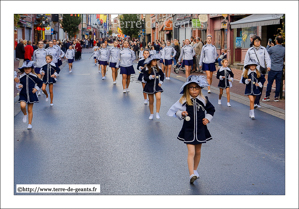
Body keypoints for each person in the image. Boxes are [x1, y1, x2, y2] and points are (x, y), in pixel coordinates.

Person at [166, 75, 215, 184]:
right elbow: (173, 111)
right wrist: (181, 113)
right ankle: (191, 174)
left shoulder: (204, 99)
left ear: (200, 89)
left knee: (198, 151)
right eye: (191, 88)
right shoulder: (183, 100)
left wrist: (207, 119)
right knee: (191, 151)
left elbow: (211, 110)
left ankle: (195, 169)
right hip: (188, 130)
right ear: (187, 89)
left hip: (201, 130)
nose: (194, 90)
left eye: (196, 88)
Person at [243, 36, 271, 108]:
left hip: (261, 71)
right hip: (252, 70)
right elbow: (246, 61)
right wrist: (245, 71)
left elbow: (267, 58)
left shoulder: (263, 49)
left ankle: (257, 102)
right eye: (256, 41)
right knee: (253, 85)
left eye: (258, 41)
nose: (257, 42)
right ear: (253, 42)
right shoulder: (250, 50)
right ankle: (254, 101)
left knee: (260, 85)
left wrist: (268, 66)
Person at [16, 60, 43, 130]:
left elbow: (40, 83)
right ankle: (25, 114)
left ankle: (29, 124)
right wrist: (19, 86)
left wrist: (36, 89)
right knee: (22, 106)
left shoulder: (34, 76)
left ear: (31, 68)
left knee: (29, 109)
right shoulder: (21, 76)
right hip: (23, 94)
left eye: (28, 68)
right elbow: (18, 84)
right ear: (23, 69)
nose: (27, 70)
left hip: (31, 94)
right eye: (25, 68)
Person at [263, 36, 285, 102]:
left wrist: (268, 45)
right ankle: (276, 97)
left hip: (272, 68)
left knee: (270, 82)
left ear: (276, 41)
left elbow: (266, 53)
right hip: (280, 68)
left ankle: (267, 96)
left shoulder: (272, 48)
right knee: (278, 83)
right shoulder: (284, 49)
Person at [143, 54, 165, 119]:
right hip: (149, 86)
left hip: (157, 86)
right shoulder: (146, 69)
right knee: (151, 101)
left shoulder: (158, 68)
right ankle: (151, 113)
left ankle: (157, 112)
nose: (155, 62)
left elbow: (162, 75)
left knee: (158, 98)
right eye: (154, 61)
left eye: (156, 61)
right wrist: (150, 77)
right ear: (150, 61)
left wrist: (160, 82)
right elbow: (145, 78)